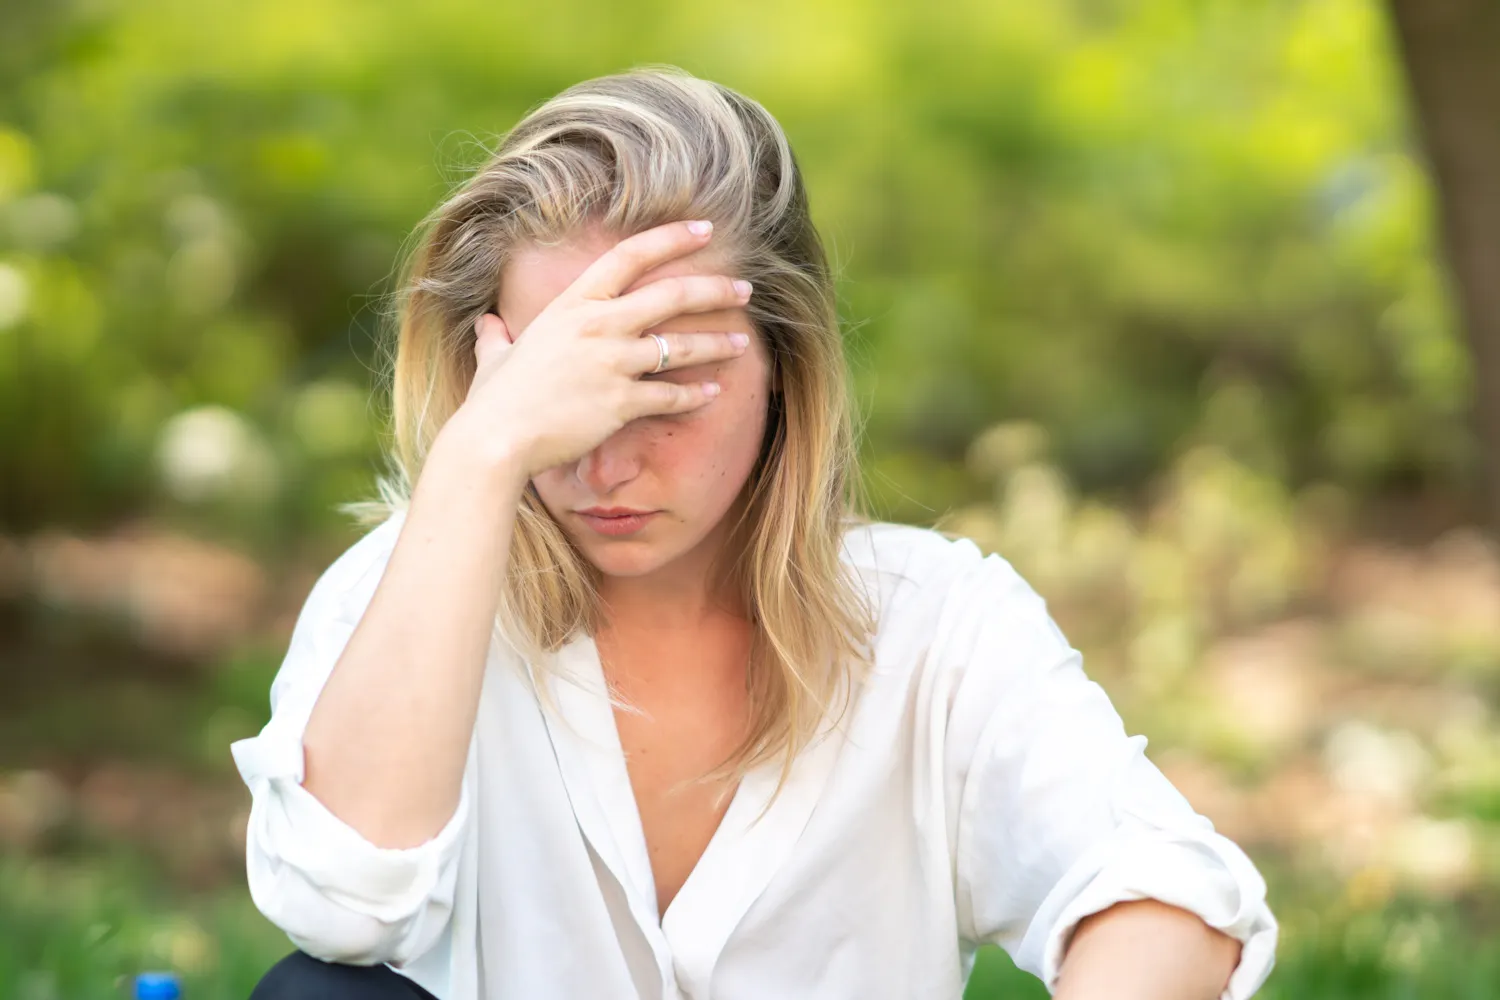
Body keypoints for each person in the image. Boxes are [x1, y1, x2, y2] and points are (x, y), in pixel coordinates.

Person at [232, 65, 1278, 1000]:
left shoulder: (935, 626)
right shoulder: (410, 588)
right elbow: (340, 910)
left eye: (669, 391)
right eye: (564, 395)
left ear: (784, 364)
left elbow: (1164, 894)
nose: (605, 464)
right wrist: (478, 456)